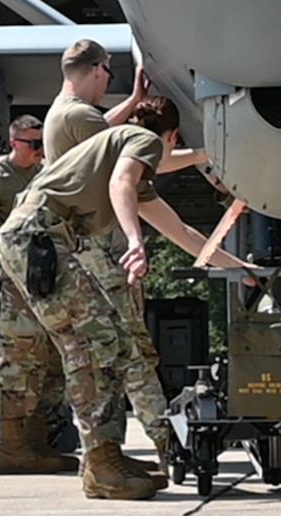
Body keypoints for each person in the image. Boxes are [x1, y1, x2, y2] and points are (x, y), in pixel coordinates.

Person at [0, 96, 252, 500]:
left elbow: (182, 233)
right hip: (38, 241)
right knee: (104, 344)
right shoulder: (137, 141)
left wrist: (239, 269)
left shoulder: (126, 152)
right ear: (171, 137)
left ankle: (102, 460)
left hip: (32, 241)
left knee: (91, 347)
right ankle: (103, 462)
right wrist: (134, 241)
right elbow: (122, 183)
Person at [44, 38, 209, 484]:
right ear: (98, 70)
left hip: (71, 250)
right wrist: (206, 155)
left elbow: (124, 148)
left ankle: (107, 457)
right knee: (128, 355)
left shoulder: (65, 116)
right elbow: (128, 164)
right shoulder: (87, 121)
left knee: (106, 358)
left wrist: (135, 102)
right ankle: (159, 450)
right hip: (92, 255)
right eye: (109, 75)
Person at [0, 114, 75, 475]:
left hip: (48, 279)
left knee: (50, 362)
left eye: (42, 143)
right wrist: (5, 271)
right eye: (33, 144)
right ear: (15, 143)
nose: (40, 151)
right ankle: (12, 446)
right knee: (18, 361)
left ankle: (36, 443)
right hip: (15, 282)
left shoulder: (47, 172)